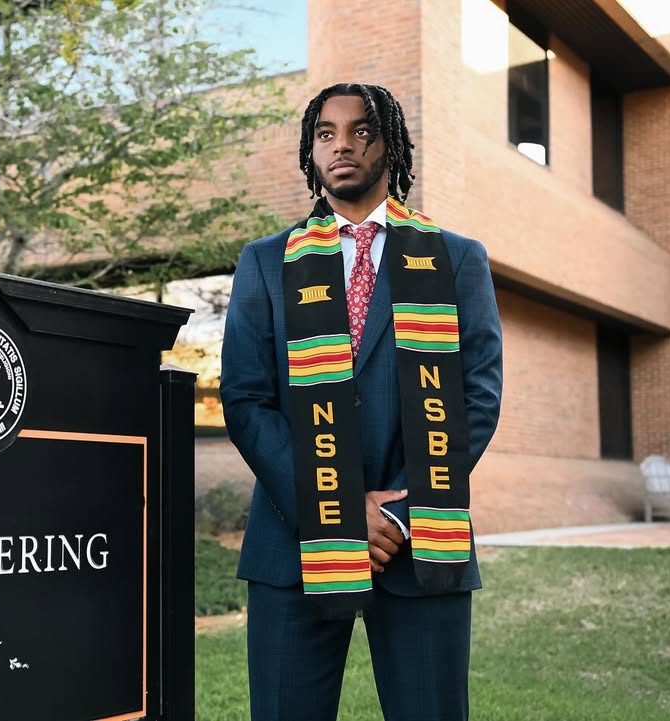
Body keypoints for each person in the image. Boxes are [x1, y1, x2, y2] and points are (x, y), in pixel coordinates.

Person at [220, 83, 503, 721]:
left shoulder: (456, 259)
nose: (341, 145)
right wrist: (335, 506)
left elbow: (477, 396)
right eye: (326, 133)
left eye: (361, 131)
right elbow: (245, 399)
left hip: (417, 541)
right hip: (293, 544)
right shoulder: (266, 262)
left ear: (390, 145)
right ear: (310, 149)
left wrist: (397, 513)